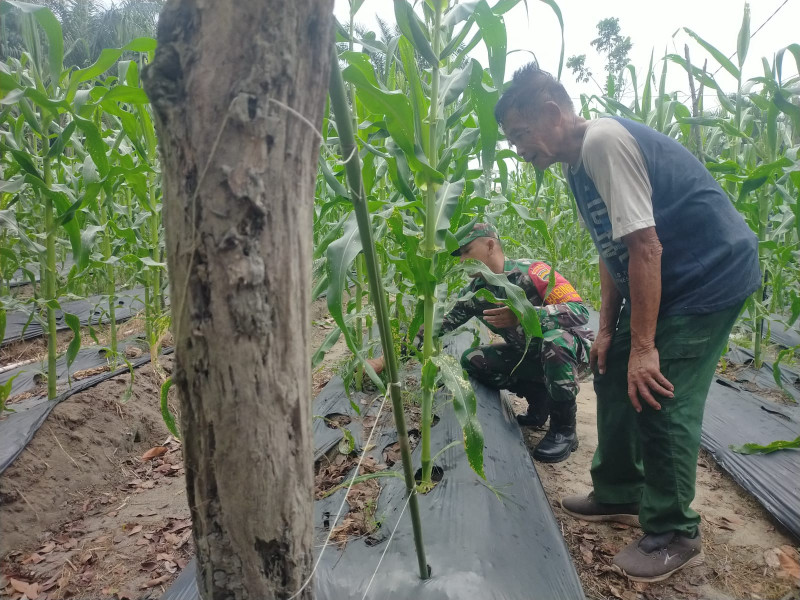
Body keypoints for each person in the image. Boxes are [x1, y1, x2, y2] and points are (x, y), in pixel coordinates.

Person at [493, 64, 760, 582]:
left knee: (661, 391)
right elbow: (612, 248)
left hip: (708, 275)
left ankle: (674, 531)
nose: (519, 149)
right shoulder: (575, 164)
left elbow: (645, 246)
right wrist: (612, 333)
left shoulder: (603, 144)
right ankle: (619, 491)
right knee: (612, 368)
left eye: (521, 135)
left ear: (553, 113)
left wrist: (645, 346)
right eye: (511, 140)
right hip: (663, 276)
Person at [440, 222, 594, 463]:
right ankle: (539, 400)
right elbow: (441, 325)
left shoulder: (532, 272)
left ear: (490, 245)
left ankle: (564, 430)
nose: (462, 260)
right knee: (473, 360)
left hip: (570, 353)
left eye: (467, 251)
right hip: (531, 355)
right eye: (460, 255)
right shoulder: (475, 292)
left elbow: (579, 311)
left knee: (554, 342)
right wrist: (386, 357)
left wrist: (525, 313)